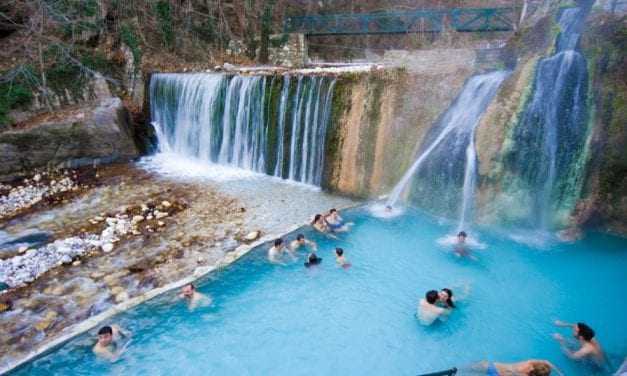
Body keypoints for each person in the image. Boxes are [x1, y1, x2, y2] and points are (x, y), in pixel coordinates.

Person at [469, 359, 563, 376]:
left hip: (492, 366)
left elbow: (546, 361)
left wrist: (559, 372)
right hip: (496, 373)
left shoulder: (529, 363)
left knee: (469, 368)